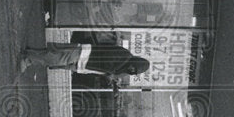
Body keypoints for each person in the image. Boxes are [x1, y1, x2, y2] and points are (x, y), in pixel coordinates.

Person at [19, 42, 149, 81]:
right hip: (83, 56)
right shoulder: (123, 58)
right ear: (135, 63)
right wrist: (112, 75)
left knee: (54, 58)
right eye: (134, 69)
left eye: (134, 72)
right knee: (54, 58)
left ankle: (31, 56)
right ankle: (28, 58)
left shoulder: (124, 60)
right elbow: (106, 66)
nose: (132, 72)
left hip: (83, 62)